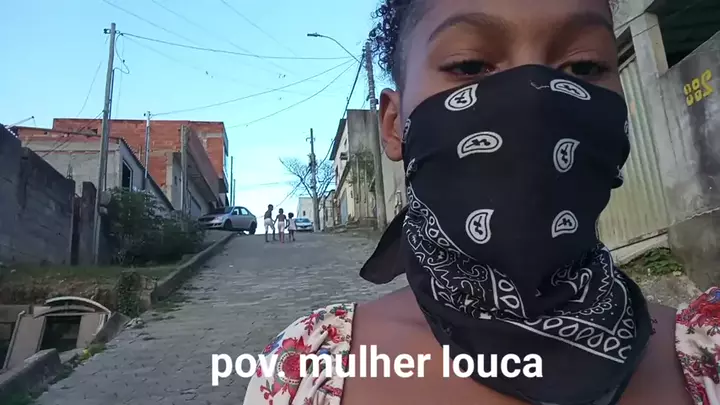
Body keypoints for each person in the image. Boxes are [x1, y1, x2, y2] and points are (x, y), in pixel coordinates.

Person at [243, 1, 719, 404]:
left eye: (583, 67)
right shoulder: (309, 372)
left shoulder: (705, 355)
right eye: (470, 66)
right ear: (394, 124)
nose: (535, 104)